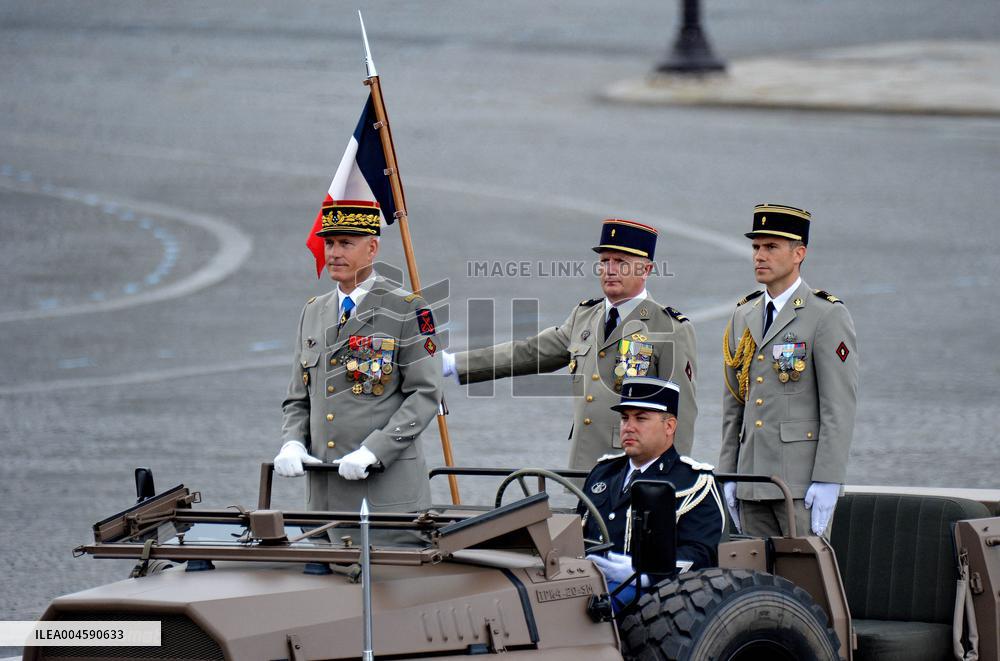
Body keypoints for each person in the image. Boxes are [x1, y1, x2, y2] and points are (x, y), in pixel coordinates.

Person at [443, 218, 698, 469]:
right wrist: (454, 364)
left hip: (635, 471)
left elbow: (682, 414)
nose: (609, 270)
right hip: (585, 468)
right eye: (604, 261)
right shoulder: (584, 316)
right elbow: (530, 352)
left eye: (621, 262)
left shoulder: (669, 327)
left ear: (646, 269)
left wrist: (674, 481)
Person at [274, 200, 442, 515]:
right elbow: (298, 397)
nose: (334, 253)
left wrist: (374, 450)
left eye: (346, 244)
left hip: (384, 496)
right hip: (323, 497)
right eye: (329, 243)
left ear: (372, 248)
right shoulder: (313, 310)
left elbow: (425, 394)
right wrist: (293, 441)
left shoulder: (407, 309)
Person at [719, 203, 858, 538]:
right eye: (756, 247)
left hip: (798, 483)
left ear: (799, 253)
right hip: (752, 480)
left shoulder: (825, 315)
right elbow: (734, 404)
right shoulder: (745, 315)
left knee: (806, 580)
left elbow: (838, 405)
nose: (759, 256)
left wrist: (828, 477)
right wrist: (728, 473)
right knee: (753, 578)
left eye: (771, 247)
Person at [580, 377, 724, 607]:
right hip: (587, 584)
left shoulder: (694, 482)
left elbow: (701, 554)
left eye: (641, 418)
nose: (628, 426)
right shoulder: (603, 473)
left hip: (656, 598)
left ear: (669, 426)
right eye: (625, 417)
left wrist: (643, 572)